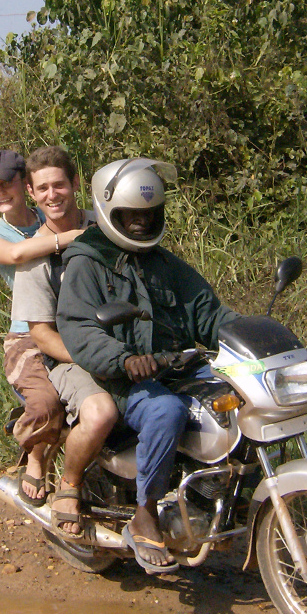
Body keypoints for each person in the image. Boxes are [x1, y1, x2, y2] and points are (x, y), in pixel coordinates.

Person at [56, 158, 237, 573]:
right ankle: (145, 512)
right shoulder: (87, 261)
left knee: (238, 396)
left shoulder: (167, 265)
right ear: (108, 212)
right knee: (166, 410)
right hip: (121, 381)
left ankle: (224, 495)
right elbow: (80, 330)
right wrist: (123, 360)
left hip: (178, 369)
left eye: (149, 214)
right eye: (131, 215)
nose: (140, 223)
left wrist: (256, 336)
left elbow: (209, 314)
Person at [9, 146, 117, 537]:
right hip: (69, 353)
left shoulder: (110, 228)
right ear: (32, 194)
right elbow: (40, 332)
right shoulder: (36, 258)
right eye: (43, 188)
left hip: (126, 343)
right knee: (99, 412)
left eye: (60, 185)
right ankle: (66, 486)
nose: (53, 195)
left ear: (75, 184)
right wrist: (90, 358)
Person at [0, 148, 85, 503]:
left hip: (75, 321)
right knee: (46, 401)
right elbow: (16, 255)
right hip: (28, 331)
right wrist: (76, 237)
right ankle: (35, 458)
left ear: (25, 184)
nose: (0, 193)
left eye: (6, 183)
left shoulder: (51, 207)